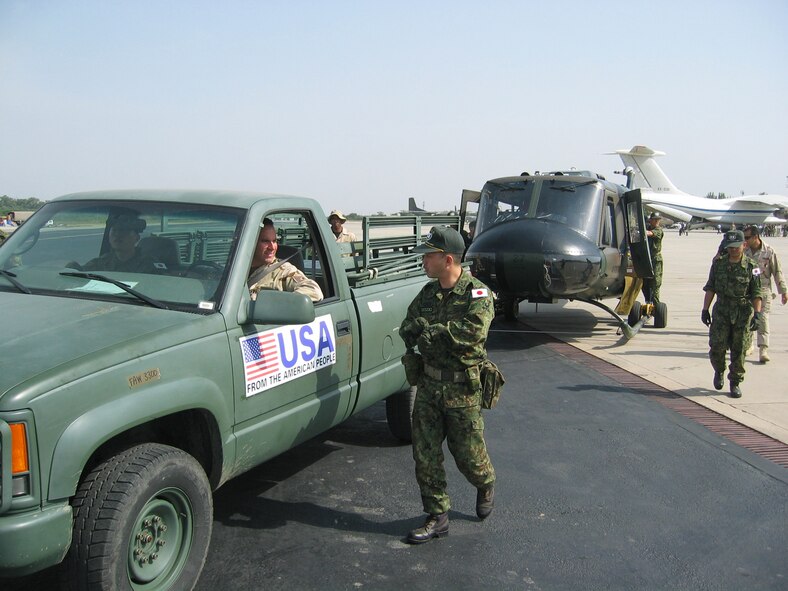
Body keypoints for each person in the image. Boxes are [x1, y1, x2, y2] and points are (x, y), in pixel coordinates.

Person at [399, 225, 496, 544]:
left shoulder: (477, 293)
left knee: (468, 455)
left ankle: (485, 483)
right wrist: (416, 330)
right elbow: (409, 324)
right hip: (428, 386)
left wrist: (437, 331)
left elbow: (473, 332)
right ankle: (437, 516)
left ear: (448, 259)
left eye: (429, 256)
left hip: (462, 390)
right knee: (424, 454)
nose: (424, 261)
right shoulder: (427, 294)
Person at [701, 230, 762, 398]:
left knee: (739, 349)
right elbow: (710, 287)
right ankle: (719, 370)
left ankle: (735, 382)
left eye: (736, 247)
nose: (733, 250)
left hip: (742, 312)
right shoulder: (718, 264)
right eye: (730, 247)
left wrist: (757, 314)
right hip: (721, 310)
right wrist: (705, 309)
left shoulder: (753, 267)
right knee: (717, 346)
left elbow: (757, 292)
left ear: (744, 245)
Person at [248, 219, 323, 302]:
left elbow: (314, 291)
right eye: (265, 241)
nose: (272, 247)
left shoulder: (283, 272)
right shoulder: (236, 268)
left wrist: (280, 304)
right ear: (252, 242)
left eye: (274, 241)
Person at [743, 224, 787, 363]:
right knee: (748, 318)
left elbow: (777, 272)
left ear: (756, 237)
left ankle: (763, 349)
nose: (745, 240)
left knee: (763, 319)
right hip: (748, 290)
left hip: (764, 290)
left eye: (748, 237)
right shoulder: (744, 251)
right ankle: (749, 345)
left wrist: (783, 291)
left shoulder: (768, 251)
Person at [82, 215, 158, 273]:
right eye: (114, 230)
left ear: (137, 238)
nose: (117, 234)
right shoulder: (100, 263)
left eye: (123, 231)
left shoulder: (150, 265)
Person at [642, 212, 664, 304]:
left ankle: (655, 304)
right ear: (650, 220)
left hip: (656, 260)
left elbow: (649, 233)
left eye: (657, 220)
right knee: (644, 282)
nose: (656, 221)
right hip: (647, 259)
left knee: (655, 283)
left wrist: (639, 230)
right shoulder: (647, 227)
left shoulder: (658, 230)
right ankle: (648, 301)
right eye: (654, 219)